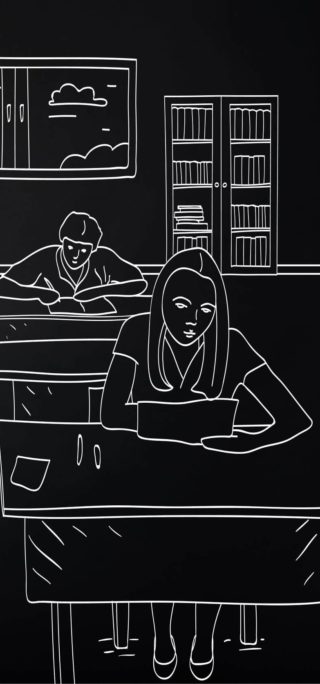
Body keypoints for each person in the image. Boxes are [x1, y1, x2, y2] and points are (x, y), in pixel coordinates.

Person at [100, 247, 312, 681]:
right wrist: (184, 416)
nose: (193, 319)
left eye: (206, 309)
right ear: (161, 302)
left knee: (209, 544)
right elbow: (110, 413)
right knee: (153, 542)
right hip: (146, 477)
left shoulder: (230, 343)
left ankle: (202, 636)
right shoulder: (136, 332)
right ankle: (161, 634)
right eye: (180, 306)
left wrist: (245, 445)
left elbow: (295, 418)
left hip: (209, 480)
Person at [0, 210, 147, 305]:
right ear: (62, 241)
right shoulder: (46, 257)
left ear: (93, 249)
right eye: (70, 247)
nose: (76, 255)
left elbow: (139, 283)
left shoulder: (103, 257)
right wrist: (38, 293)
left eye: (84, 250)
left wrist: (99, 292)